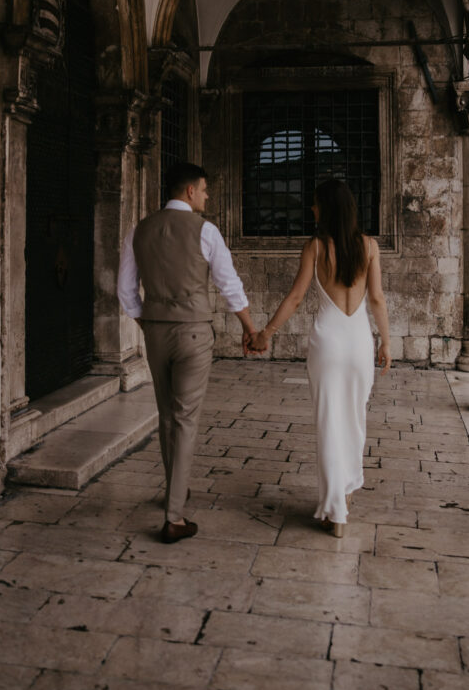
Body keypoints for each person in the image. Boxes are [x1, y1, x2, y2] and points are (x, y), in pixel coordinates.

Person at [118, 161, 257, 543]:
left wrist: (145, 322)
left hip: (157, 333)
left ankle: (175, 489)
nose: (208, 196)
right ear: (190, 191)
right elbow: (229, 285)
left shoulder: (139, 229)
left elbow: (126, 289)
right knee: (186, 419)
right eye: (205, 189)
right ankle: (174, 516)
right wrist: (249, 328)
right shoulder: (205, 230)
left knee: (166, 414)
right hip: (194, 333)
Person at [249, 178, 390, 537]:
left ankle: (334, 511)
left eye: (314, 204)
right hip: (359, 343)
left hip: (327, 343)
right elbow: (376, 299)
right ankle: (342, 498)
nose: (310, 209)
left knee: (328, 423)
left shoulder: (314, 247)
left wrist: (265, 333)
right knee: (354, 422)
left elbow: (295, 298)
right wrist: (386, 342)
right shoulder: (370, 246)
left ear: (326, 208)